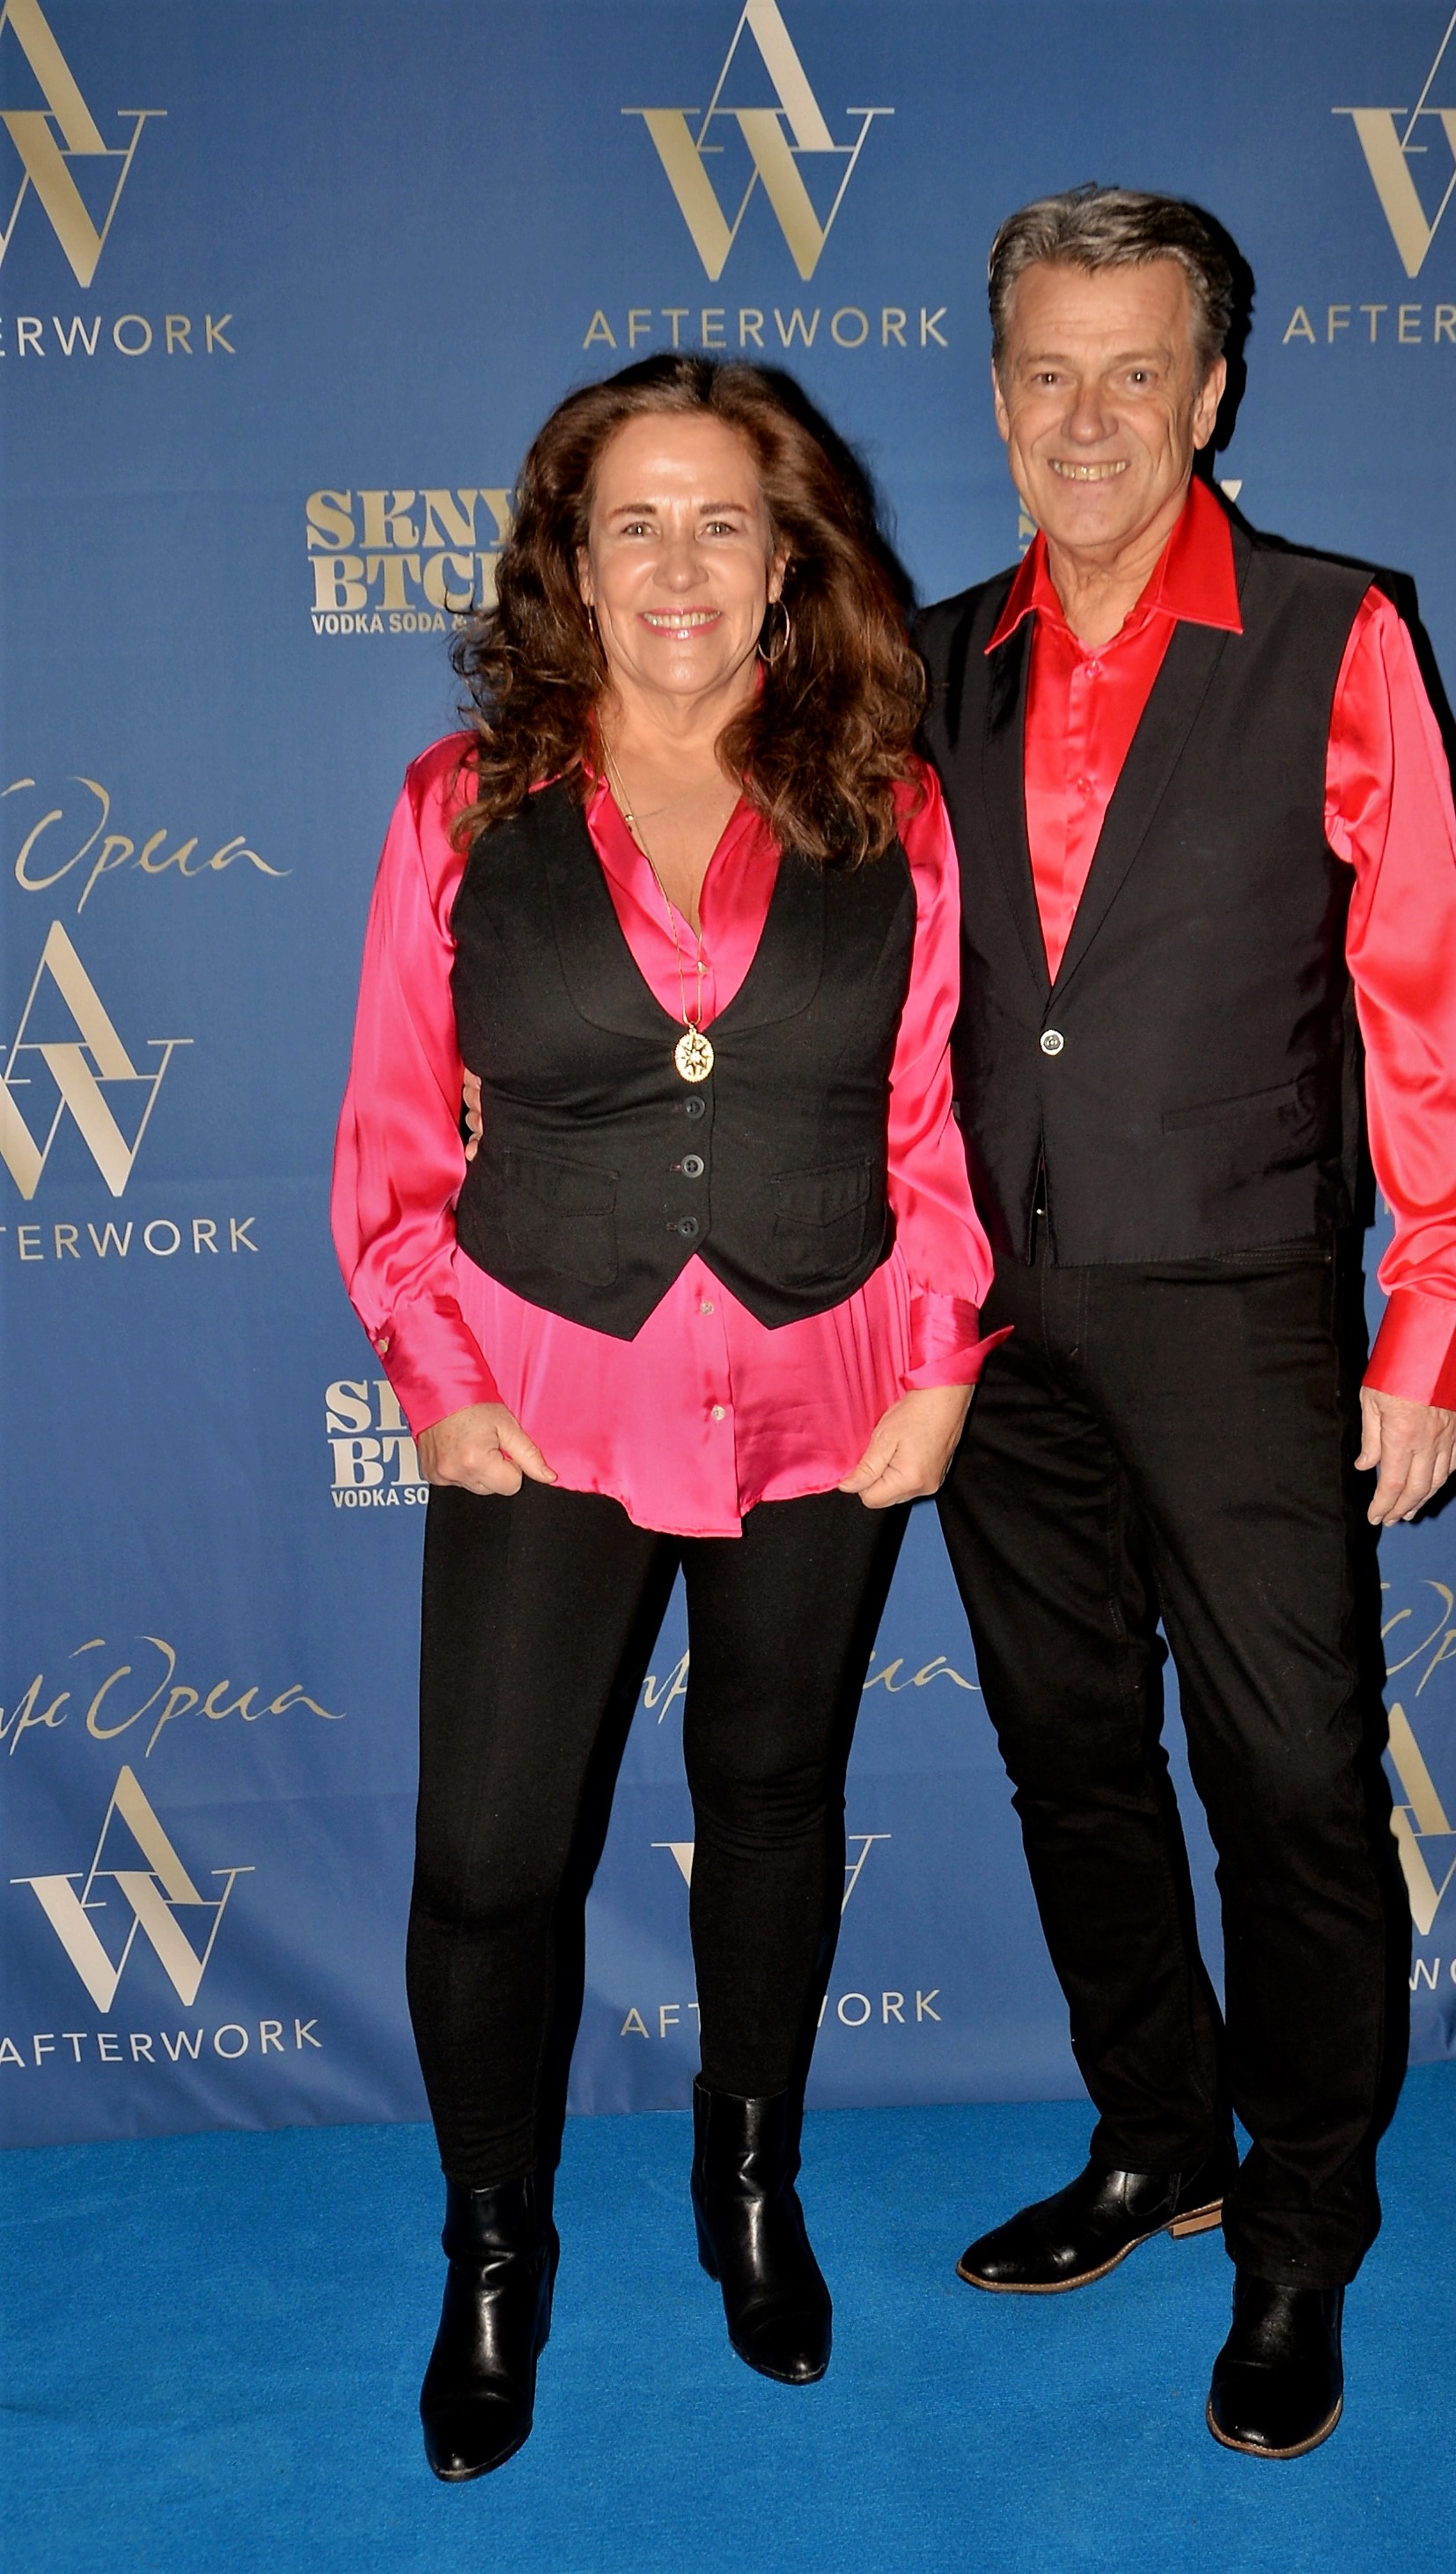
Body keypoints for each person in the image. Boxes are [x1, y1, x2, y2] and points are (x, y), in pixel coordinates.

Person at [332, 354, 999, 2481]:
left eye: (724, 519)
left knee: (773, 1793)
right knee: (488, 1858)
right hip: (544, 1394)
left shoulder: (889, 801)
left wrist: (940, 1355)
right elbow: (389, 1133)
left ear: (788, 555)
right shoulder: (458, 804)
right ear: (573, 557)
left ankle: (748, 2183)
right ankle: (492, 2250)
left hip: (824, 1381)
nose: (680, 563)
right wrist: (437, 1376)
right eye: (635, 520)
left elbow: (926, 1115)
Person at [915, 190, 1456, 2460]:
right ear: (997, 397)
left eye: (1132, 372)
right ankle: (1152, 2135)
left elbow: (1421, 988)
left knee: (1286, 1776)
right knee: (1068, 1752)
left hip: (1244, 1302)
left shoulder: (1330, 632)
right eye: (1045, 372)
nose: (1086, 419)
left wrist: (1428, 1313)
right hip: (992, 1324)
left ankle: (1297, 2223)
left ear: (1210, 392)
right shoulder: (927, 662)